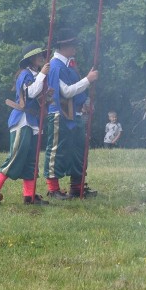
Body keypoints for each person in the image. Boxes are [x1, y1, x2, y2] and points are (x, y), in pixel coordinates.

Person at [0, 44, 51, 205]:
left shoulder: (36, 74)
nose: (42, 57)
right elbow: (30, 93)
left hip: (33, 120)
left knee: (31, 160)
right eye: (38, 55)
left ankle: (29, 196)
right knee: (16, 156)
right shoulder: (25, 74)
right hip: (23, 120)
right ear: (31, 59)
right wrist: (42, 75)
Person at [43, 28, 99, 200]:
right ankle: (53, 190)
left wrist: (84, 104)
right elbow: (66, 92)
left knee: (77, 151)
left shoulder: (69, 65)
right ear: (64, 46)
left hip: (75, 115)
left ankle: (77, 188)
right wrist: (88, 80)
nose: (75, 49)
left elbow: (76, 92)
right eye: (72, 45)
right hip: (60, 115)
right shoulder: (55, 66)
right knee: (56, 151)